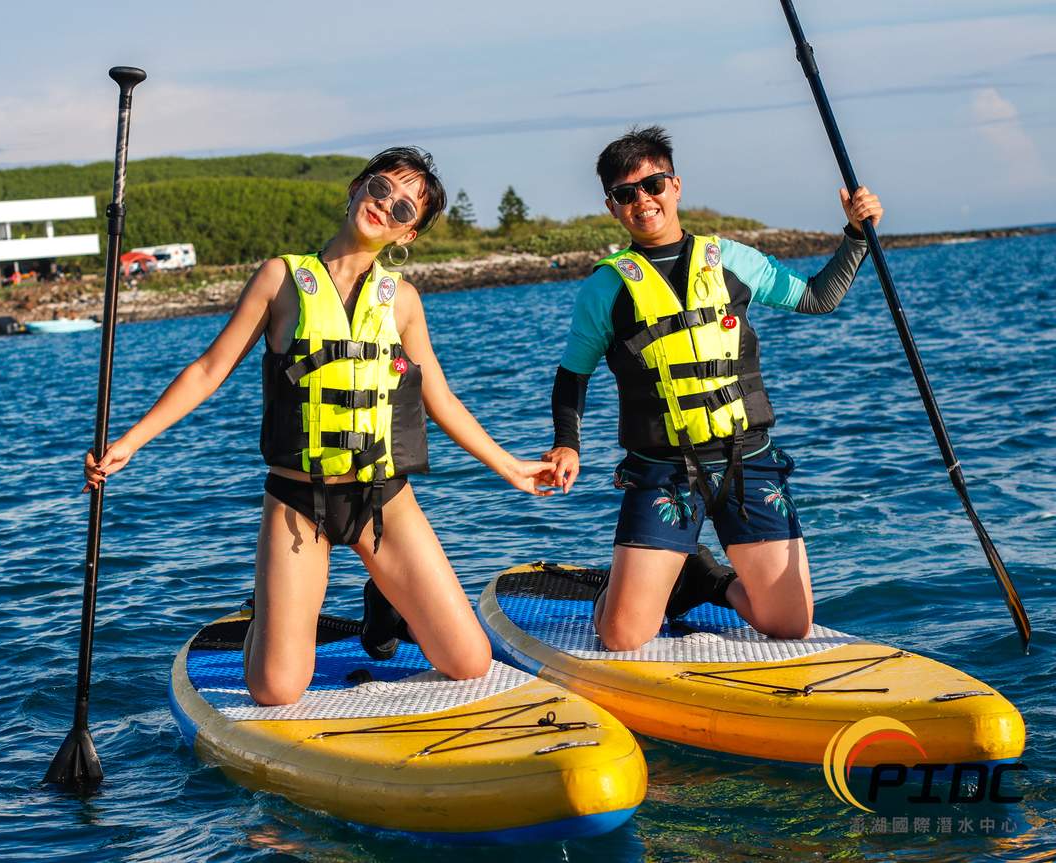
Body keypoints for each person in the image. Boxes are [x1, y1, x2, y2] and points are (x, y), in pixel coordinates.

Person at [84, 147, 556, 705]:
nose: (387, 206)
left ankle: (384, 600)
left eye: (405, 209)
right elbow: (210, 370)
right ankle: (266, 611)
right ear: (357, 188)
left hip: (384, 502)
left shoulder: (402, 301)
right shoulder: (280, 278)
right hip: (297, 502)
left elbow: (438, 396)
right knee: (276, 690)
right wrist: (129, 444)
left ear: (408, 236)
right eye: (381, 189)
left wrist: (510, 466)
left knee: (469, 662)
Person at [544, 126, 883, 651]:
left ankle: (706, 579)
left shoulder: (732, 260)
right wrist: (568, 443)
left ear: (675, 186)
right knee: (622, 637)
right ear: (612, 207)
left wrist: (856, 236)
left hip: (748, 460)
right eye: (626, 194)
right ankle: (631, 588)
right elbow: (572, 376)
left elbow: (818, 298)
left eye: (653, 184)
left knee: (788, 625)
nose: (644, 201)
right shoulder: (606, 288)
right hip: (661, 472)